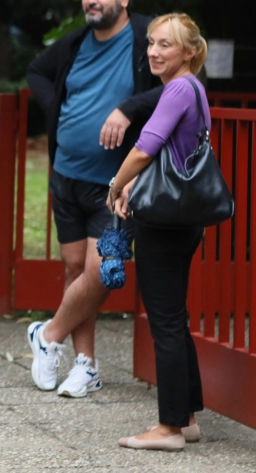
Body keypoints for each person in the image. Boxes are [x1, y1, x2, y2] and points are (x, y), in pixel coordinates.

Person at [25, 0, 163, 397]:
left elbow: (181, 85)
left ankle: (47, 334)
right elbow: (36, 71)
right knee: (76, 270)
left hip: (116, 186)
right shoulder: (74, 43)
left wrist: (128, 108)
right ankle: (86, 364)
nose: (92, 1)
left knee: (101, 270)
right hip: (66, 176)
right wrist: (57, 107)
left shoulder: (147, 37)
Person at [108, 14, 209, 451]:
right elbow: (171, 150)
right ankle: (187, 417)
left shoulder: (178, 89)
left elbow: (145, 147)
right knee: (174, 318)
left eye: (165, 44)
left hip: (164, 221)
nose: (153, 51)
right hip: (182, 216)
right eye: (151, 42)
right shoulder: (193, 88)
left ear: (189, 51)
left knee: (164, 322)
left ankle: (169, 429)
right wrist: (133, 181)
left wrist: (116, 184)